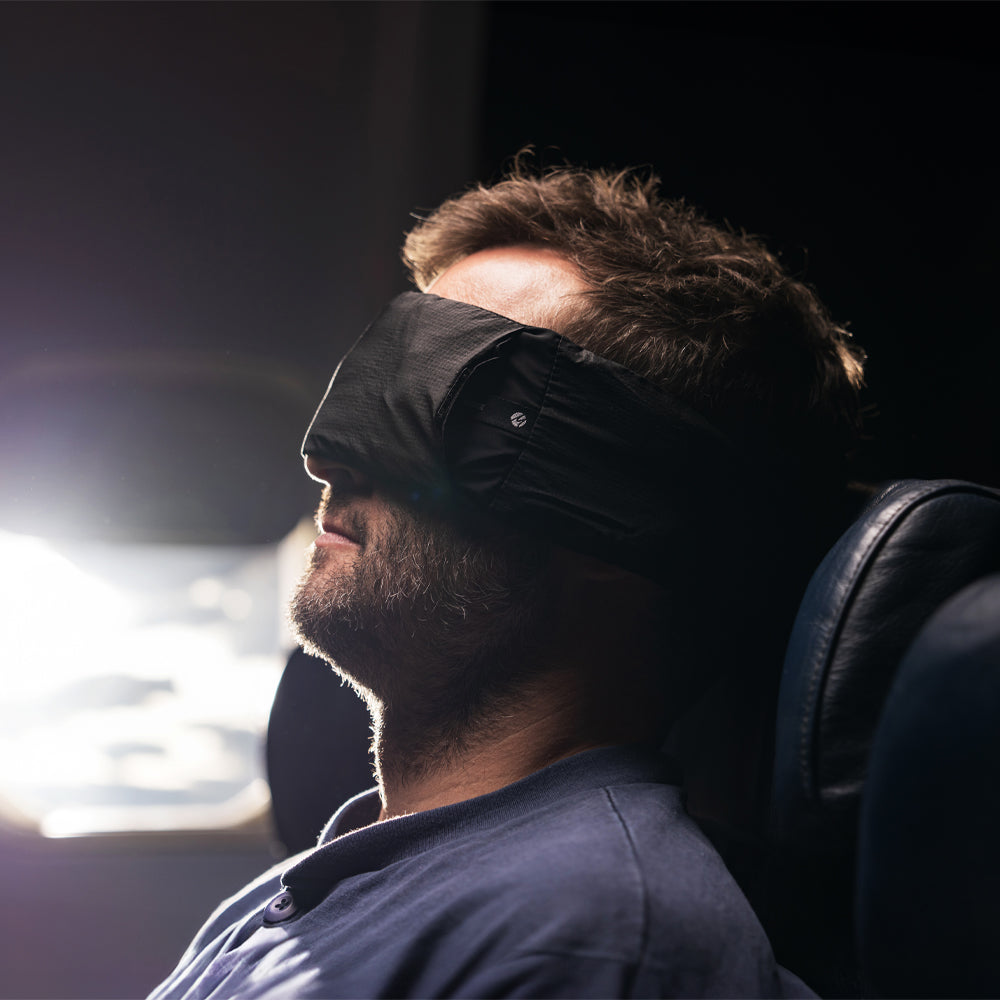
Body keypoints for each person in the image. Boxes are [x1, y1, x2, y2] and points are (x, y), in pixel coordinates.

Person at [149, 163, 864, 999]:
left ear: (620, 513)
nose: (329, 458)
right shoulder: (308, 889)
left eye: (449, 405)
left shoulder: (582, 943)